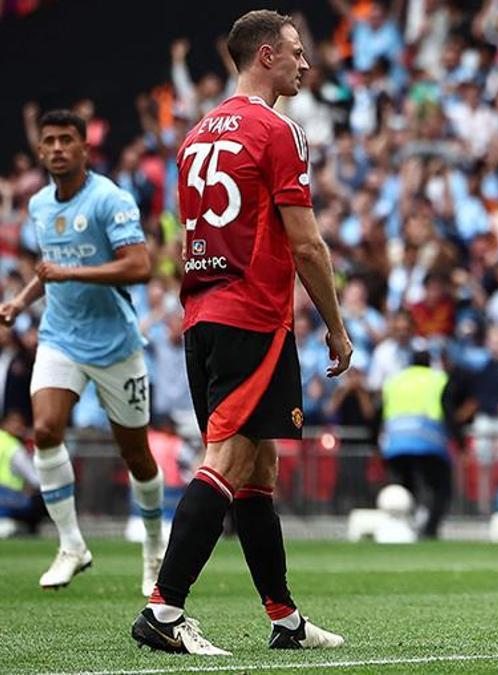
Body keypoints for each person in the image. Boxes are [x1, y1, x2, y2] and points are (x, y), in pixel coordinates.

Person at [131, 10, 352, 655]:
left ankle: (284, 619)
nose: (305, 64)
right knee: (227, 461)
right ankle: (164, 610)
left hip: (202, 314)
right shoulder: (278, 130)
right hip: (253, 315)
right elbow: (306, 245)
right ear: (264, 55)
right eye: (294, 52)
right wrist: (336, 330)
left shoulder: (196, 133)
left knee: (259, 468)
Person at [0, 109, 164, 594]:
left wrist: (71, 275)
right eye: (48, 140)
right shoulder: (39, 206)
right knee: (46, 428)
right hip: (60, 338)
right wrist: (22, 300)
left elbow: (140, 266)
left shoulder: (109, 199)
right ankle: (72, 544)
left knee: (136, 454)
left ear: (83, 148)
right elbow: (52, 267)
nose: (55, 148)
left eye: (65, 140)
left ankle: (154, 553)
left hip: (116, 345)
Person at [379, 346, 452, 539]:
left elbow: (380, 411)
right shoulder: (438, 379)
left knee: (405, 487)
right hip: (428, 442)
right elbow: (448, 410)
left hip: (396, 443)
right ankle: (430, 530)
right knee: (441, 487)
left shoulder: (394, 380)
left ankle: (405, 527)